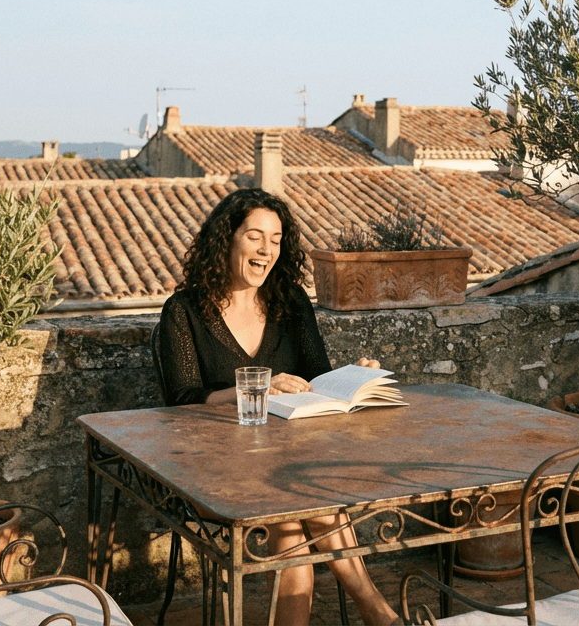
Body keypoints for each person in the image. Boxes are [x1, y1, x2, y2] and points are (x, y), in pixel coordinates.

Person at [155, 187, 400, 626]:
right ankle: (377, 611)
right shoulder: (184, 310)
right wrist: (257, 390)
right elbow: (182, 398)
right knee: (302, 503)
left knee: (292, 517)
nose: (267, 249)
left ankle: (374, 612)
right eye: (254, 236)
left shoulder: (291, 303)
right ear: (227, 240)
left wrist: (354, 375)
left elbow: (316, 378)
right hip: (214, 466)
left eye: (276, 238)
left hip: (289, 463)